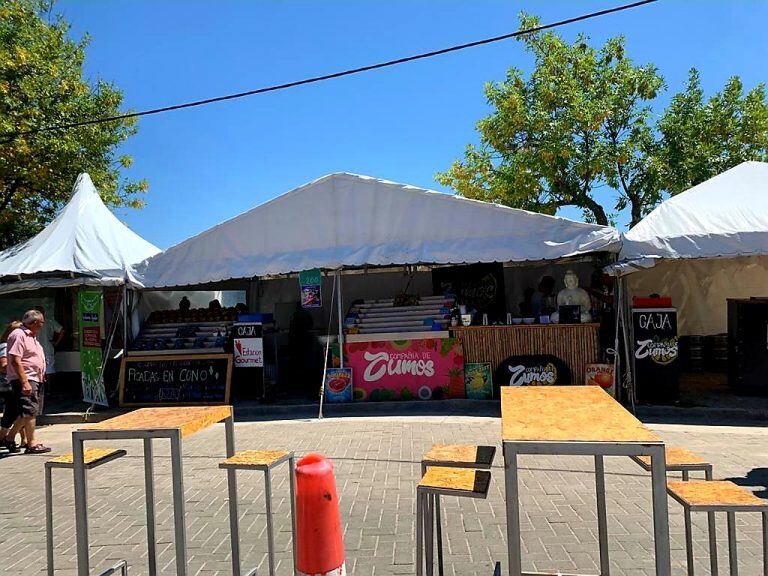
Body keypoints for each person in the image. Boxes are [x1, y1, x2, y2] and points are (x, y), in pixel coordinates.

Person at [5, 310, 50, 454]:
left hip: (35, 378)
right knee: (29, 411)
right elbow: (15, 359)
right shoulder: (19, 335)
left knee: (29, 412)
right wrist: (24, 381)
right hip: (25, 378)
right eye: (42, 323)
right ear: (36, 322)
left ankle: (10, 437)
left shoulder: (31, 336)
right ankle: (32, 443)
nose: (42, 326)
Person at [33, 305, 64, 415]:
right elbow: (62, 330)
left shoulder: (44, 322)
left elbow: (62, 330)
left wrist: (56, 342)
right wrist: (56, 342)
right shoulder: (49, 321)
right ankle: (49, 390)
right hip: (45, 348)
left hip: (40, 348)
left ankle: (46, 389)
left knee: (46, 370)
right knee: (49, 370)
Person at [0, 320, 25, 452]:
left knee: (17, 411)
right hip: (7, 384)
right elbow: (3, 365)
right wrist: (20, 368)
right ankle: (4, 436)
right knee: (14, 411)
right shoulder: (5, 346)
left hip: (11, 382)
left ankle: (23, 439)